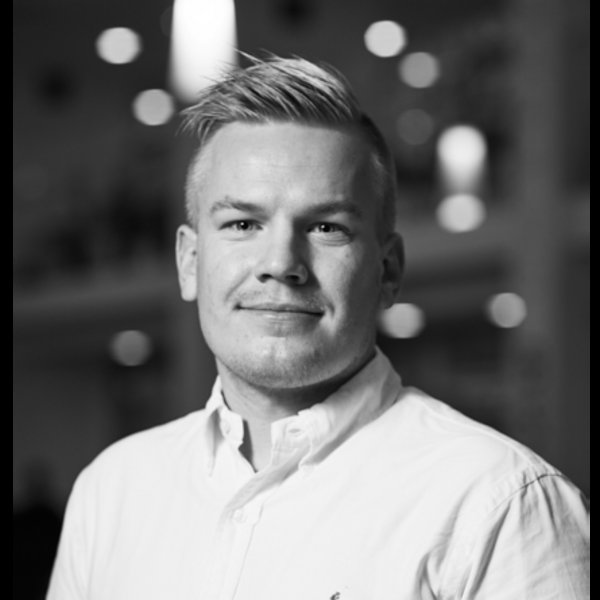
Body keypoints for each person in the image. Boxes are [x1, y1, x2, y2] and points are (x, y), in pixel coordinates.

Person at [46, 55, 590, 600]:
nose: (280, 263)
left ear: (388, 271)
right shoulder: (111, 490)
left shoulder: (499, 504)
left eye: (327, 227)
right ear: (189, 262)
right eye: (243, 223)